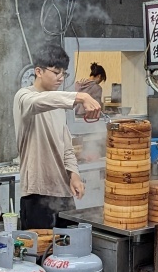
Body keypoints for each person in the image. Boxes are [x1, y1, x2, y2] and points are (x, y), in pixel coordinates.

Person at [14, 45, 102, 230]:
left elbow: (66, 147)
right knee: (38, 254)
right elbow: (40, 101)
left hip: (63, 193)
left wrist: (74, 175)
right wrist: (80, 97)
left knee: (67, 253)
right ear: (38, 71)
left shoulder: (60, 106)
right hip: (37, 194)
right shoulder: (24, 97)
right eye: (56, 72)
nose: (60, 78)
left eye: (64, 73)